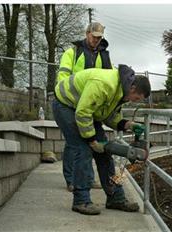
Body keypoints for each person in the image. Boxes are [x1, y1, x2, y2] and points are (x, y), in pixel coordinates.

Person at [52, 64, 150, 215]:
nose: (134, 102)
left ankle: (115, 198)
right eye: (136, 98)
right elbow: (83, 113)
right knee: (82, 150)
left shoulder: (121, 92)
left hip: (84, 110)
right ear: (133, 88)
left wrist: (128, 124)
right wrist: (92, 141)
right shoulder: (105, 84)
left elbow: (109, 116)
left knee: (105, 154)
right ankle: (81, 201)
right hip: (65, 105)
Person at [56, 22, 113, 192]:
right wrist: (68, 99)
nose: (96, 39)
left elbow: (108, 79)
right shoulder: (72, 53)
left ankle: (87, 179)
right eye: (94, 36)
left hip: (90, 105)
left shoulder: (104, 56)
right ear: (87, 33)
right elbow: (63, 77)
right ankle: (71, 179)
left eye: (99, 37)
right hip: (71, 102)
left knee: (90, 142)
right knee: (74, 143)